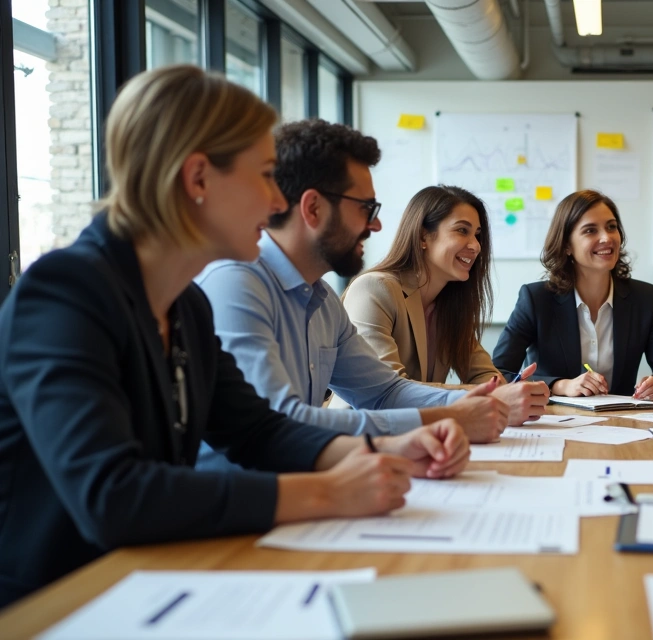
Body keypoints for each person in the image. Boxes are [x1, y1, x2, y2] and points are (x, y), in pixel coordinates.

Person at [0, 66, 470, 607]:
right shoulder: (66, 293)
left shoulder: (186, 304)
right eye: (265, 176)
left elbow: (257, 431)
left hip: (150, 579)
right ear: (198, 179)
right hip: (58, 605)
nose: (275, 201)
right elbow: (114, 496)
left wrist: (384, 448)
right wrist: (326, 491)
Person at [195, 120, 514, 472]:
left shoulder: (324, 300)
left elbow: (384, 392)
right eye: (366, 208)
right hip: (250, 498)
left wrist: (465, 405)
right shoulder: (236, 284)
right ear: (313, 208)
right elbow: (280, 421)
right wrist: (444, 417)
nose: (376, 225)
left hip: (305, 483)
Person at [343, 185, 549, 423]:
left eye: (477, 235)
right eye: (462, 230)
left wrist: (508, 391)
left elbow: (484, 374)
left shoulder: (449, 304)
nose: (476, 246)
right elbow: (388, 392)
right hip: (360, 433)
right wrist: (491, 396)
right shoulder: (374, 290)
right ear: (423, 237)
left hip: (422, 433)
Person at [492, 190, 653, 400]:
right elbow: (499, 374)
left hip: (620, 418)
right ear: (567, 245)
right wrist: (561, 385)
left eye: (611, 227)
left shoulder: (644, 298)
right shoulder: (536, 299)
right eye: (590, 230)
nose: (606, 238)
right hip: (553, 417)